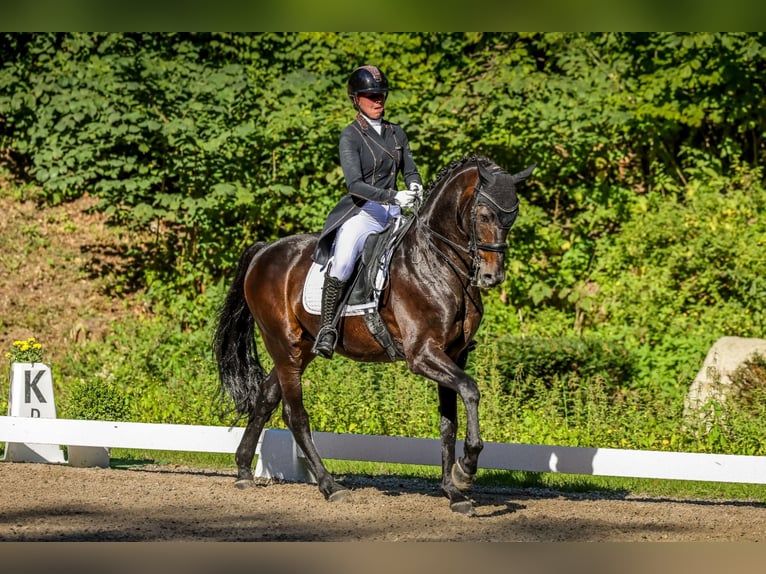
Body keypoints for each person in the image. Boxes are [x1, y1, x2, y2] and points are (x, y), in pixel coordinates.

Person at [311, 65, 423, 359]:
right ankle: (326, 328)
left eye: (381, 95)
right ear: (356, 99)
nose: (378, 101)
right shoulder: (350, 136)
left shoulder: (396, 133)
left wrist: (415, 185)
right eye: (371, 96)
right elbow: (355, 185)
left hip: (396, 209)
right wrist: (393, 195)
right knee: (345, 258)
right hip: (364, 211)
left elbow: (410, 169)